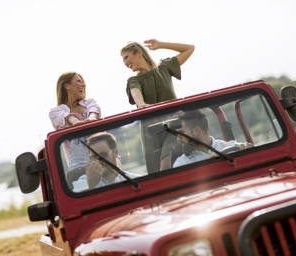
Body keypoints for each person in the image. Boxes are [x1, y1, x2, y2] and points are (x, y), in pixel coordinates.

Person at [121, 39, 195, 171]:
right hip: (152, 134)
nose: (125, 63)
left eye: (126, 57)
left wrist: (161, 45)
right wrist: (141, 104)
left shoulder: (165, 67)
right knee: (157, 171)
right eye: (123, 60)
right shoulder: (134, 80)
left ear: (139, 53)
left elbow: (190, 48)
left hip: (175, 127)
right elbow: (135, 92)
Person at [49, 72, 101, 181]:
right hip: (80, 170)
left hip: (102, 161)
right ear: (67, 86)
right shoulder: (56, 112)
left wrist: (91, 118)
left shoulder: (89, 103)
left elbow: (94, 109)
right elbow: (63, 116)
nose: (83, 84)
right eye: (78, 81)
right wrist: (75, 121)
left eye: (83, 81)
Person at [72, 132, 138, 192]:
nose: (98, 160)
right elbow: (73, 200)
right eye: (94, 157)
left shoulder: (133, 180)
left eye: (103, 155)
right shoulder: (83, 181)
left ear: (115, 152)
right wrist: (90, 185)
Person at [173, 110, 237, 168]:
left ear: (197, 131)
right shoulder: (181, 164)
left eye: (182, 133)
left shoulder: (233, 148)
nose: (178, 138)